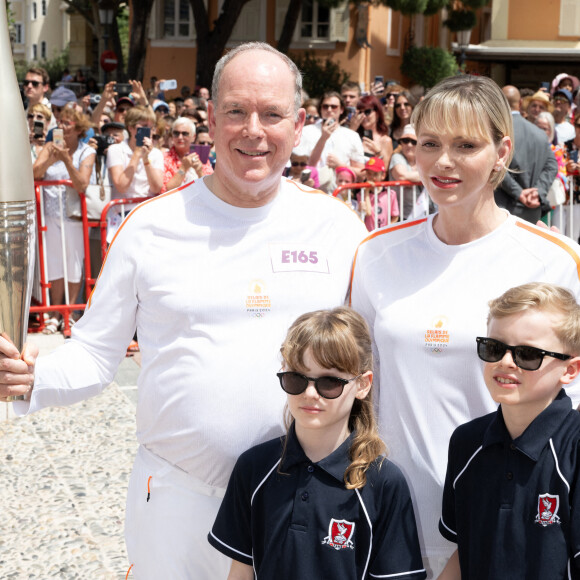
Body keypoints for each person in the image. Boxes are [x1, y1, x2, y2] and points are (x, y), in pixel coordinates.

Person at [0, 41, 367, 579]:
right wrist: (31, 377)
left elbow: (376, 361)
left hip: (304, 497)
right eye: (237, 112)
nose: (253, 130)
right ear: (212, 119)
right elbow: (96, 355)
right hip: (177, 498)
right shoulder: (150, 228)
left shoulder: (338, 230)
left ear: (298, 122)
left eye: (271, 114)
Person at [349, 74, 580, 579]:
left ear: (501, 151)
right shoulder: (375, 254)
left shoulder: (555, 260)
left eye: (465, 145)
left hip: (501, 532)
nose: (443, 161)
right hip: (388, 523)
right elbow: (359, 390)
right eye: (429, 143)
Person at [208, 307, 426, 580]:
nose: (310, 393)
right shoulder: (254, 468)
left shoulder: (384, 482)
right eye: (296, 378)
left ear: (363, 384)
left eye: (330, 382)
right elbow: (240, 571)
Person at [438, 282, 580, 579]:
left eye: (527, 354)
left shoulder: (574, 448)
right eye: (494, 348)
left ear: (570, 370)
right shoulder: (466, 442)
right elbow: (464, 552)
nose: (504, 362)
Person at [32, 106, 96, 334]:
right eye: (61, 122)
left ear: (78, 128)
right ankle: (55, 313)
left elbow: (81, 184)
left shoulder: (86, 151)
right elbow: (35, 173)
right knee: (55, 264)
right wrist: (51, 159)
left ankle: (70, 315)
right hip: (49, 214)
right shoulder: (50, 146)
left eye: (67, 123)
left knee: (74, 263)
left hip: (74, 216)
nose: (62, 126)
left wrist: (67, 160)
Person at [494, 85, 558, 224]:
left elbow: (495, 164)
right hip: (531, 211)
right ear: (521, 103)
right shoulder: (540, 133)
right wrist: (538, 192)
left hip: (502, 210)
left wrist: (519, 193)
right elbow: (552, 165)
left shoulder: (497, 132)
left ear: (498, 102)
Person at [161, 117, 206, 192]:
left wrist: (199, 171)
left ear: (193, 137)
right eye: (176, 133)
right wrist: (183, 168)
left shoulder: (201, 156)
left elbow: (210, 189)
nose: (180, 137)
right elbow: (165, 191)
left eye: (185, 134)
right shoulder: (164, 158)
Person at [388, 123, 423, 219]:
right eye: (405, 141)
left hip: (424, 213)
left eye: (413, 142)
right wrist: (426, 176)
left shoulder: (424, 160)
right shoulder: (397, 157)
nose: (409, 145)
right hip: (401, 215)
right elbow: (401, 176)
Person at [351, 94, 393, 166]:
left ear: (377, 114)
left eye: (367, 112)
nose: (363, 116)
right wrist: (352, 130)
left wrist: (378, 153)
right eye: (360, 112)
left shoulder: (385, 140)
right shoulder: (353, 136)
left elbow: (384, 172)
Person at [359, 156, 399, 231]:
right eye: (369, 174)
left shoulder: (390, 193)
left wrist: (387, 229)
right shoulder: (361, 194)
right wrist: (367, 192)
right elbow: (368, 213)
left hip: (384, 234)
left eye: (375, 174)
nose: (371, 177)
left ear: (383, 175)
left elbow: (395, 216)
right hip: (369, 234)